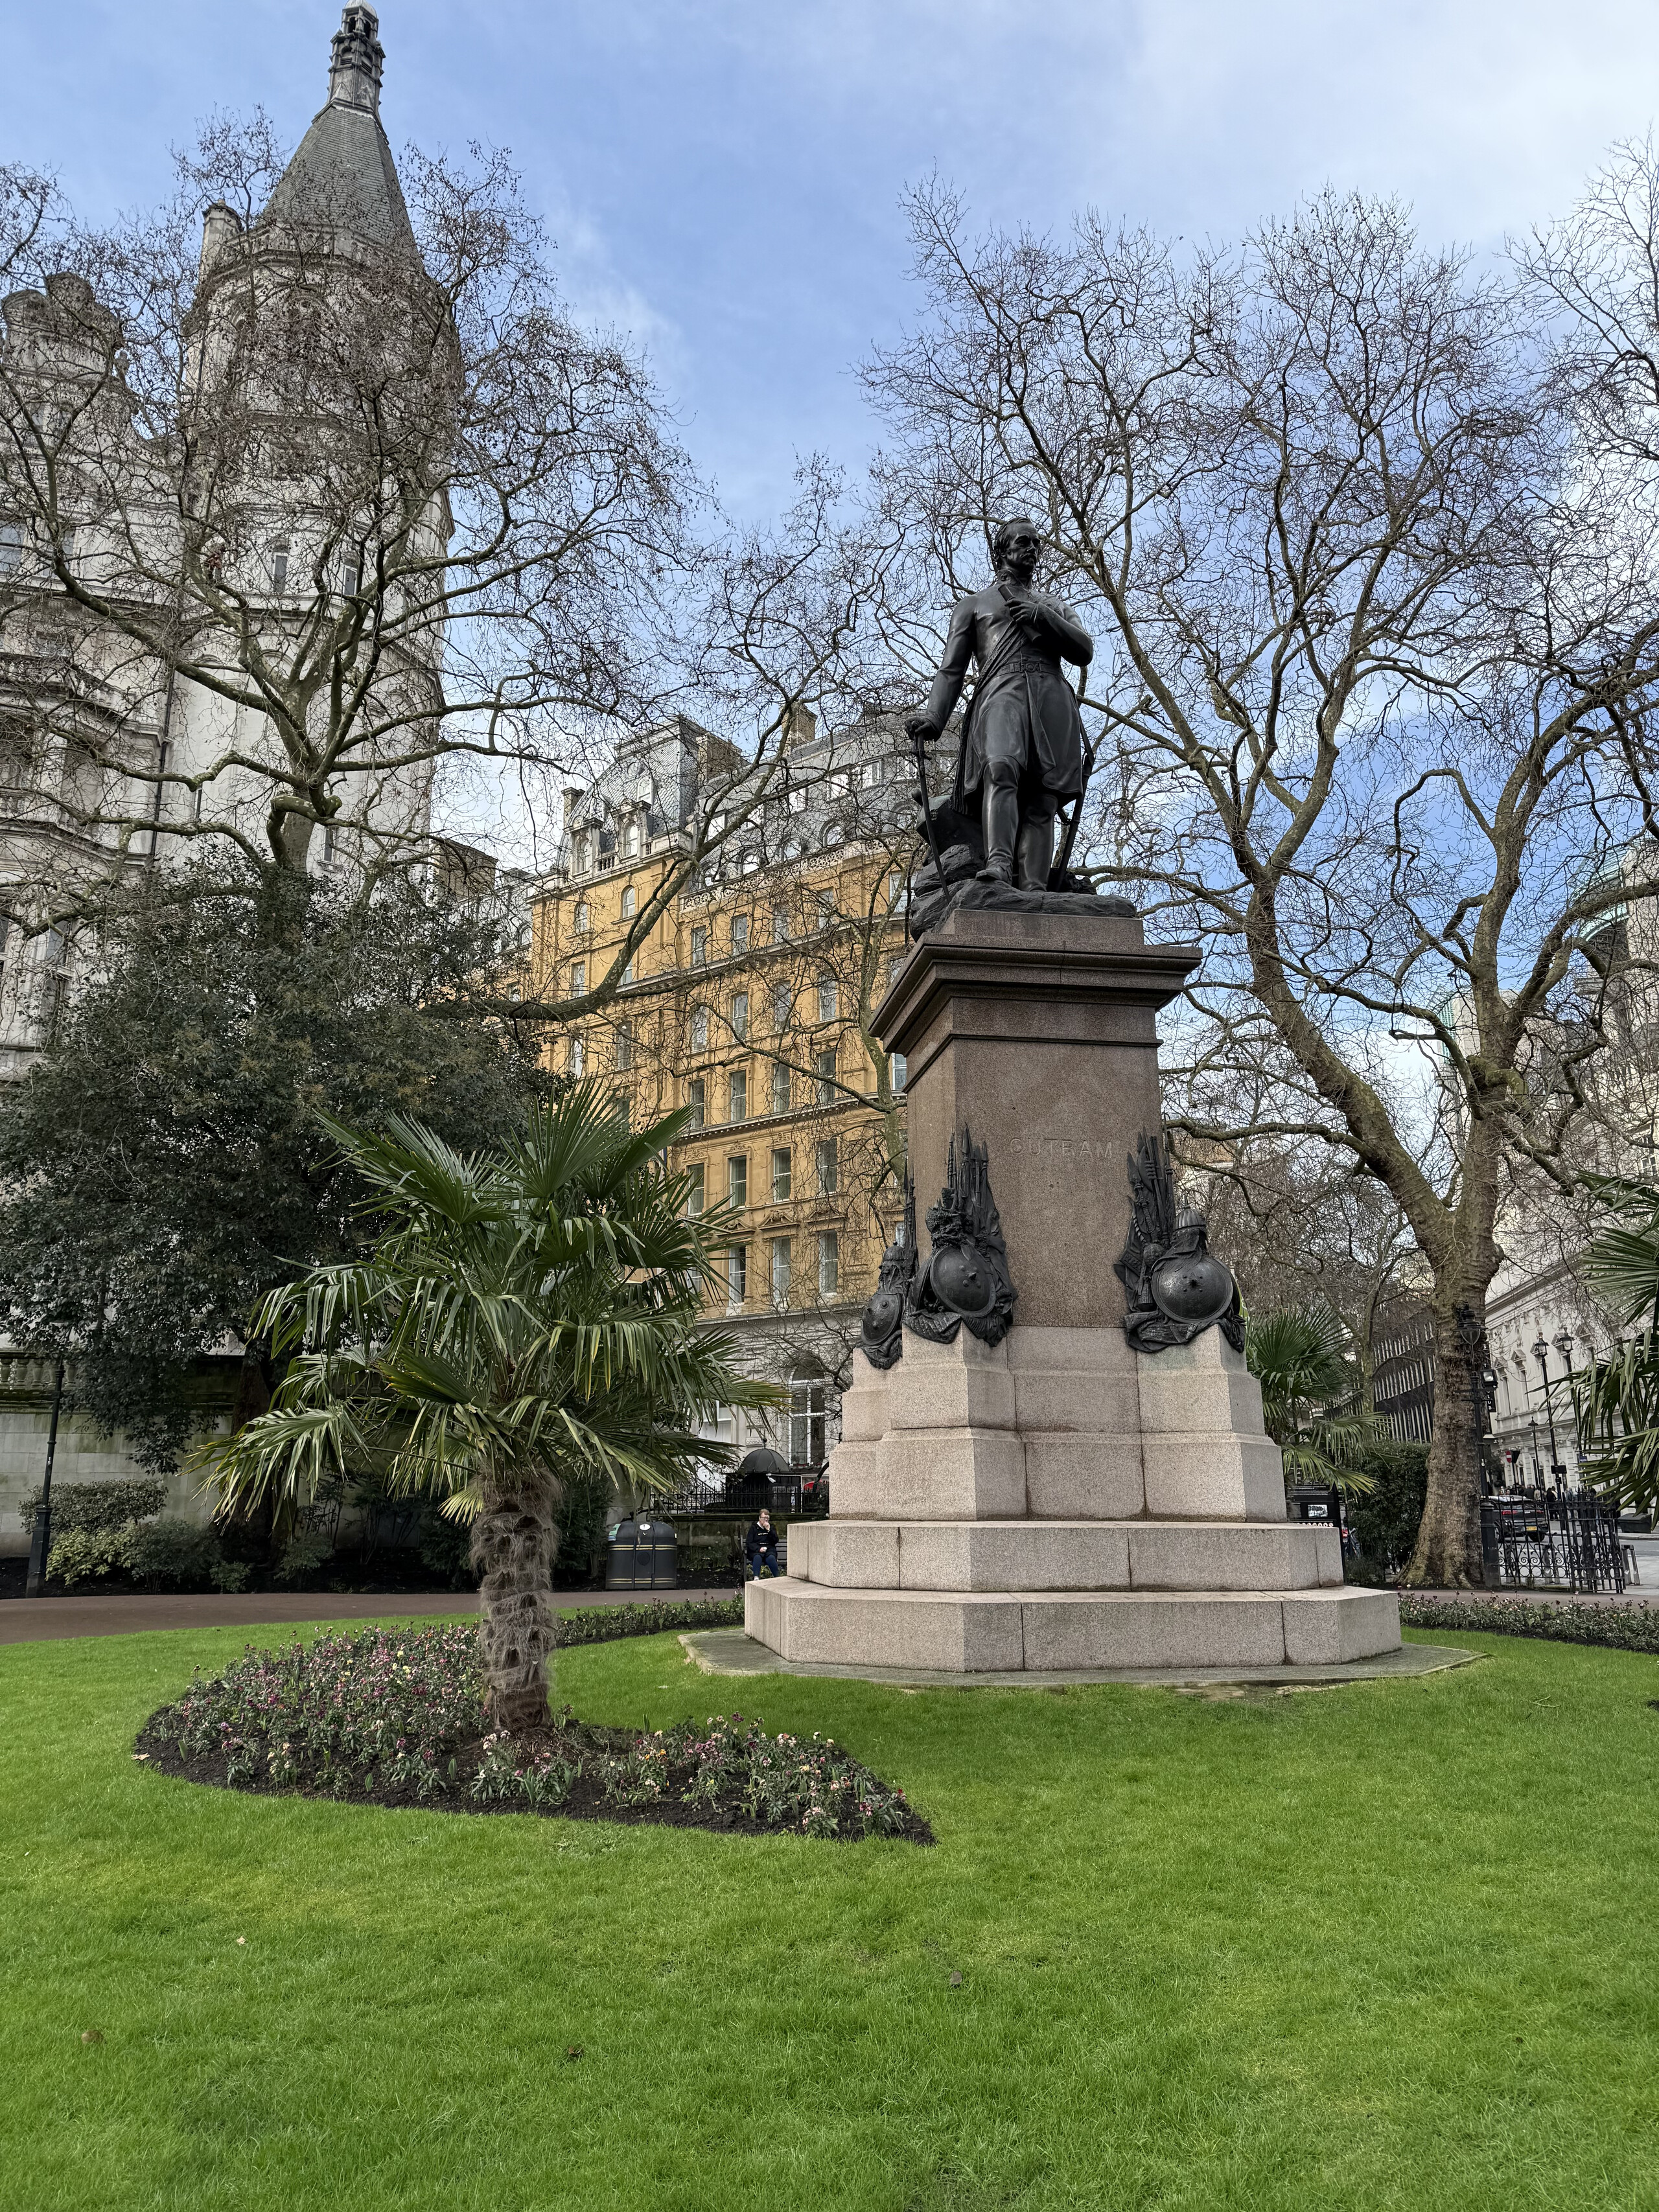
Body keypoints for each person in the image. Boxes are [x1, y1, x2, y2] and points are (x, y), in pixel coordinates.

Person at [905, 516, 1095, 890]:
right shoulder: (974, 605)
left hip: (1051, 696)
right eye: (1024, 541)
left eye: (1036, 543)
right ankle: (998, 865)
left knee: (1044, 797)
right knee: (1001, 766)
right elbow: (951, 670)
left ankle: (1035, 889)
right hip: (1000, 692)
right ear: (1002, 550)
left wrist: (1043, 617)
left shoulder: (1053, 605)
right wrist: (934, 717)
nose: (1032, 548)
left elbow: (1083, 650)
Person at [744, 1508, 780, 1579]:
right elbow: (749, 1543)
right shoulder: (754, 1528)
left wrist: (769, 1530)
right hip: (757, 1550)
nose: (766, 1520)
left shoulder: (771, 1527)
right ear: (760, 1518)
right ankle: (756, 1577)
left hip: (769, 1550)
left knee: (771, 1558)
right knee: (757, 1557)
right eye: (764, 1518)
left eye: (767, 1518)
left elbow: (775, 1540)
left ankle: (778, 1578)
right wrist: (759, 1549)